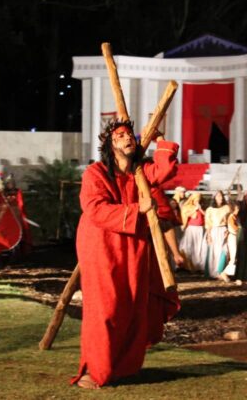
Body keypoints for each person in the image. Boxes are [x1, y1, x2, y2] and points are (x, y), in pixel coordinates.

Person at [73, 119, 180, 389]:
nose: (127, 138)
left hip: (134, 247)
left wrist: (159, 140)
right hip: (102, 247)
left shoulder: (140, 172)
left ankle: (122, 367)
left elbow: (165, 169)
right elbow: (95, 208)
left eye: (130, 134)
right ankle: (95, 370)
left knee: (133, 307)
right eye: (120, 135)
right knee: (105, 309)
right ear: (110, 144)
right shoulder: (95, 173)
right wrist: (136, 211)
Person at [1, 173, 32, 257]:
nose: (11, 184)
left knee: (20, 232)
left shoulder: (17, 191)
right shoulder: (3, 192)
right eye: (9, 183)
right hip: (8, 215)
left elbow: (20, 202)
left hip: (17, 215)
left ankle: (19, 251)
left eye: (12, 183)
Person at [204, 190, 231, 281]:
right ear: (214, 197)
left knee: (223, 251)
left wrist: (228, 229)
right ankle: (213, 272)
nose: (220, 197)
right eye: (218, 196)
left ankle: (221, 271)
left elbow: (229, 220)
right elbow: (208, 223)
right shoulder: (210, 209)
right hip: (214, 231)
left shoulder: (227, 208)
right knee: (213, 252)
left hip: (224, 230)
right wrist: (208, 235)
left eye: (221, 196)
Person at [179, 193, 206, 272]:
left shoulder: (202, 207)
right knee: (189, 246)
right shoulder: (187, 207)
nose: (198, 200)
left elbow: (206, 215)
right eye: (196, 199)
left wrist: (199, 208)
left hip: (200, 229)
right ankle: (187, 265)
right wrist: (194, 209)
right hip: (191, 229)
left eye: (199, 199)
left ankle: (197, 265)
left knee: (199, 247)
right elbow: (185, 215)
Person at [223, 202, 240, 280]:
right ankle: (225, 273)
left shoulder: (234, 217)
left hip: (234, 237)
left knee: (234, 256)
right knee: (233, 256)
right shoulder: (232, 217)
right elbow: (234, 228)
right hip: (232, 237)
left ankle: (231, 273)